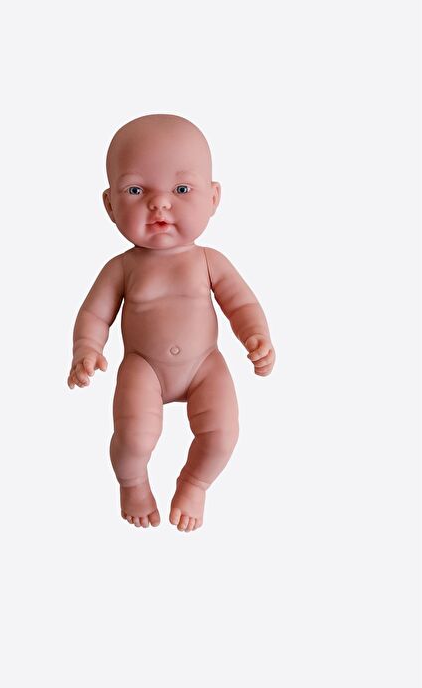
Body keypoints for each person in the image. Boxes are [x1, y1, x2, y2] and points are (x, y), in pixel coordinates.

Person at [68, 114, 275, 532]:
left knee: (223, 435)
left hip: (205, 366)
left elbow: (241, 303)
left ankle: (195, 483)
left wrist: (256, 336)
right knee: (133, 440)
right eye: (136, 190)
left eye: (181, 190)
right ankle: (132, 483)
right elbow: (94, 314)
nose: (159, 203)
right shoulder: (122, 268)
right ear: (110, 205)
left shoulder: (209, 261)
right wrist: (86, 349)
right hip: (143, 367)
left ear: (213, 198)